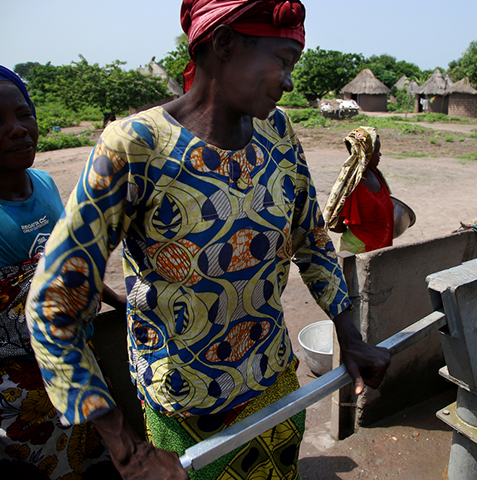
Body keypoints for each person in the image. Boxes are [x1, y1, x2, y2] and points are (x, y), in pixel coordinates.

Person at [25, 1, 391, 479]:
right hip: (188, 408)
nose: (289, 80)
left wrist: (351, 335)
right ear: (223, 45)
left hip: (272, 383)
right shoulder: (136, 146)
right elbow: (53, 304)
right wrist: (127, 449)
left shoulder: (276, 132)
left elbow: (312, 237)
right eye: (281, 61)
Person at [0, 62, 123, 479]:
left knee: (99, 463)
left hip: (73, 365)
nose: (17, 128)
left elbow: (62, 264)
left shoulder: (46, 183)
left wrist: (115, 299)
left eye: (24, 114)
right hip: (6, 393)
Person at [323, 126, 394, 254]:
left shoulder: (375, 174)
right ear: (365, 153)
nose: (380, 155)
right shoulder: (354, 187)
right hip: (358, 248)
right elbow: (336, 226)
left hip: (380, 245)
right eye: (376, 151)